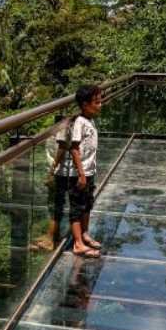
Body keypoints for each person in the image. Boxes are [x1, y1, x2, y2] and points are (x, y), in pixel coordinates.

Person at [67, 84, 103, 258]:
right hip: (79, 175)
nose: (100, 105)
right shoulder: (79, 123)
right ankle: (78, 243)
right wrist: (81, 174)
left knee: (87, 204)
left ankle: (85, 233)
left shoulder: (90, 121)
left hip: (90, 172)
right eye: (96, 102)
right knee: (76, 207)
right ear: (85, 104)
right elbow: (74, 148)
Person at [31, 122, 75, 251]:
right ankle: (53, 235)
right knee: (57, 203)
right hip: (64, 171)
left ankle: (51, 239)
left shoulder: (66, 125)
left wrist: (52, 171)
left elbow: (61, 147)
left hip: (61, 172)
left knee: (55, 203)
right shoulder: (72, 122)